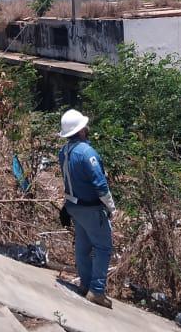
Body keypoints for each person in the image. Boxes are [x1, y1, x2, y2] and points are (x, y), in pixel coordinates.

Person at [57, 108, 115, 309]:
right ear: (81, 130)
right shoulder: (87, 153)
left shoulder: (64, 152)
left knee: (82, 246)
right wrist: (111, 207)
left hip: (73, 206)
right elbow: (100, 184)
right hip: (90, 208)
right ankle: (96, 291)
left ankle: (85, 284)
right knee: (103, 247)